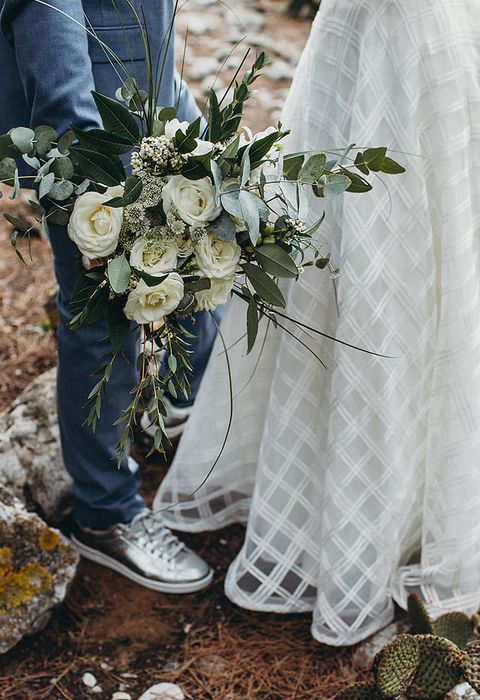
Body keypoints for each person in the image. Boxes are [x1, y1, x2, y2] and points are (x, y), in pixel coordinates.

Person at [155, 0, 480, 644]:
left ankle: (408, 506)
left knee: (424, 251)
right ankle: (365, 513)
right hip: (375, 40)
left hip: (423, 34)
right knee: (357, 257)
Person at [0, 0, 218, 593]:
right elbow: (48, 25)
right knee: (101, 319)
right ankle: (106, 512)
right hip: (88, 136)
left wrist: (184, 117)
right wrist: (90, 187)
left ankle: (176, 407)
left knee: (207, 267)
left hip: (152, 107)